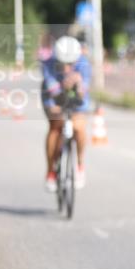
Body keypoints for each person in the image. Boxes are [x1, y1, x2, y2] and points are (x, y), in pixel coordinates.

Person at [42, 35, 92, 191]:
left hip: (76, 98)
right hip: (53, 96)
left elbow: (84, 92)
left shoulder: (84, 64)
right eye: (63, 64)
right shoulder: (48, 64)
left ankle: (79, 164)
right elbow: (52, 90)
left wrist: (78, 84)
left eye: (71, 64)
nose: (67, 68)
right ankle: (51, 171)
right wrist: (63, 84)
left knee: (79, 127)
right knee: (55, 127)